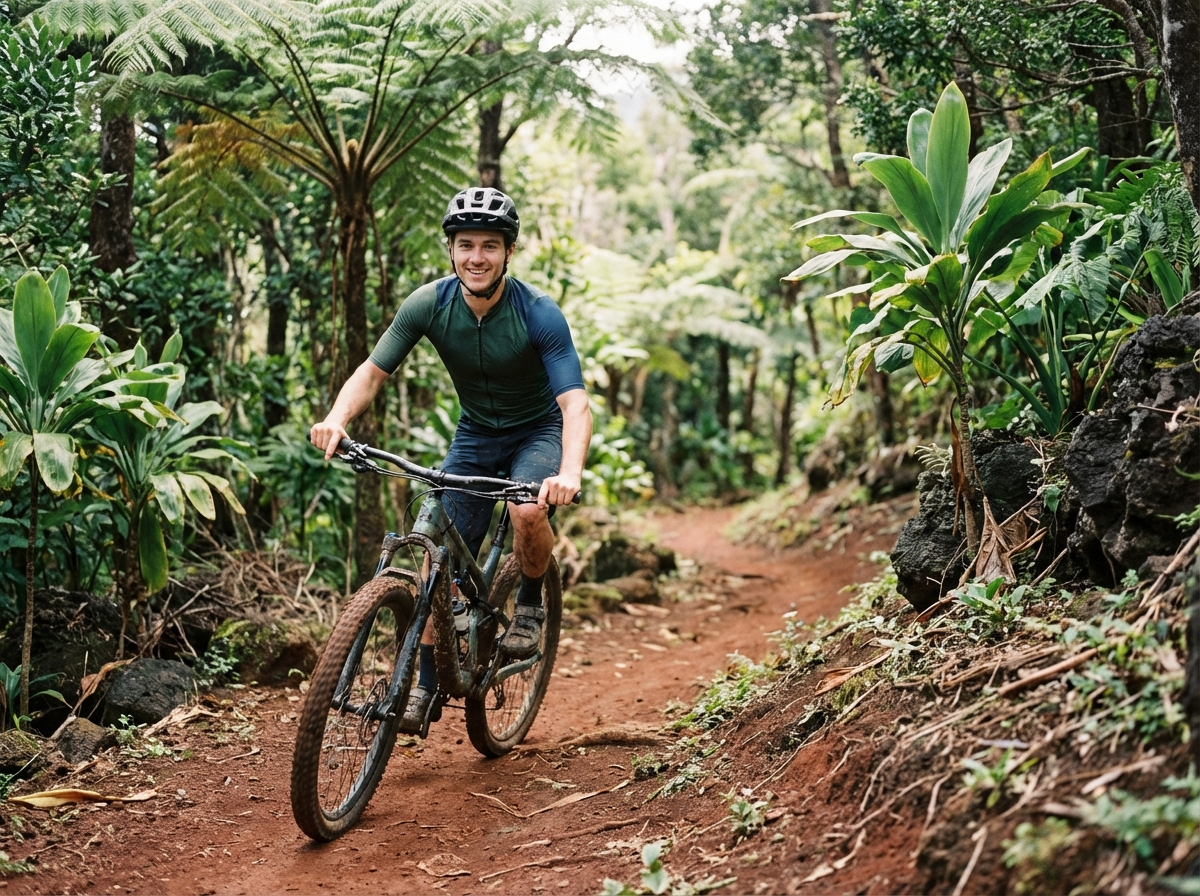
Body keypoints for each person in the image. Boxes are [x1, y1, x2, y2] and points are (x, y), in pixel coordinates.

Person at [309, 187, 591, 732]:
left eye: (490, 245)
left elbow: (574, 403)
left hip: (537, 431)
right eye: (466, 245)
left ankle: (529, 602)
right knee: (437, 560)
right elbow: (371, 372)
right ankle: (425, 686)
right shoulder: (428, 304)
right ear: (452, 250)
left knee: (527, 511)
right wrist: (337, 419)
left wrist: (569, 471)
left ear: (508, 252)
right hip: (476, 433)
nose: (477, 257)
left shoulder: (538, 313)